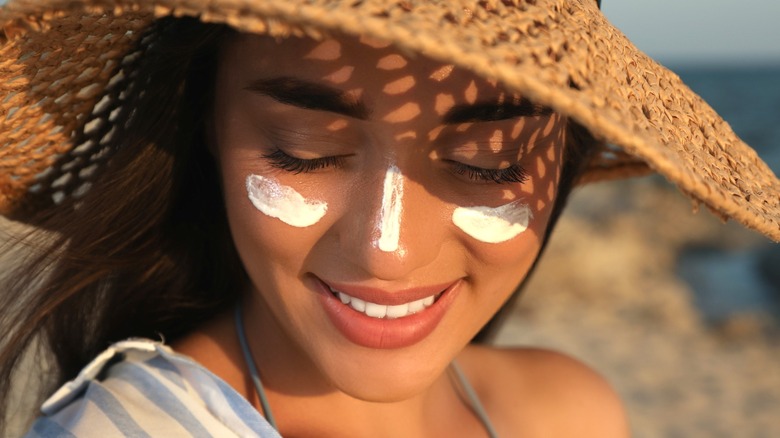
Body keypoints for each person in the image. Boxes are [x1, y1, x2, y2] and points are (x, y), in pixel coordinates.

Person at [0, 0, 777, 436]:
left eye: (487, 161)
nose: (387, 250)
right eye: (304, 149)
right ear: (206, 123)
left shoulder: (569, 414)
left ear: (566, 152)